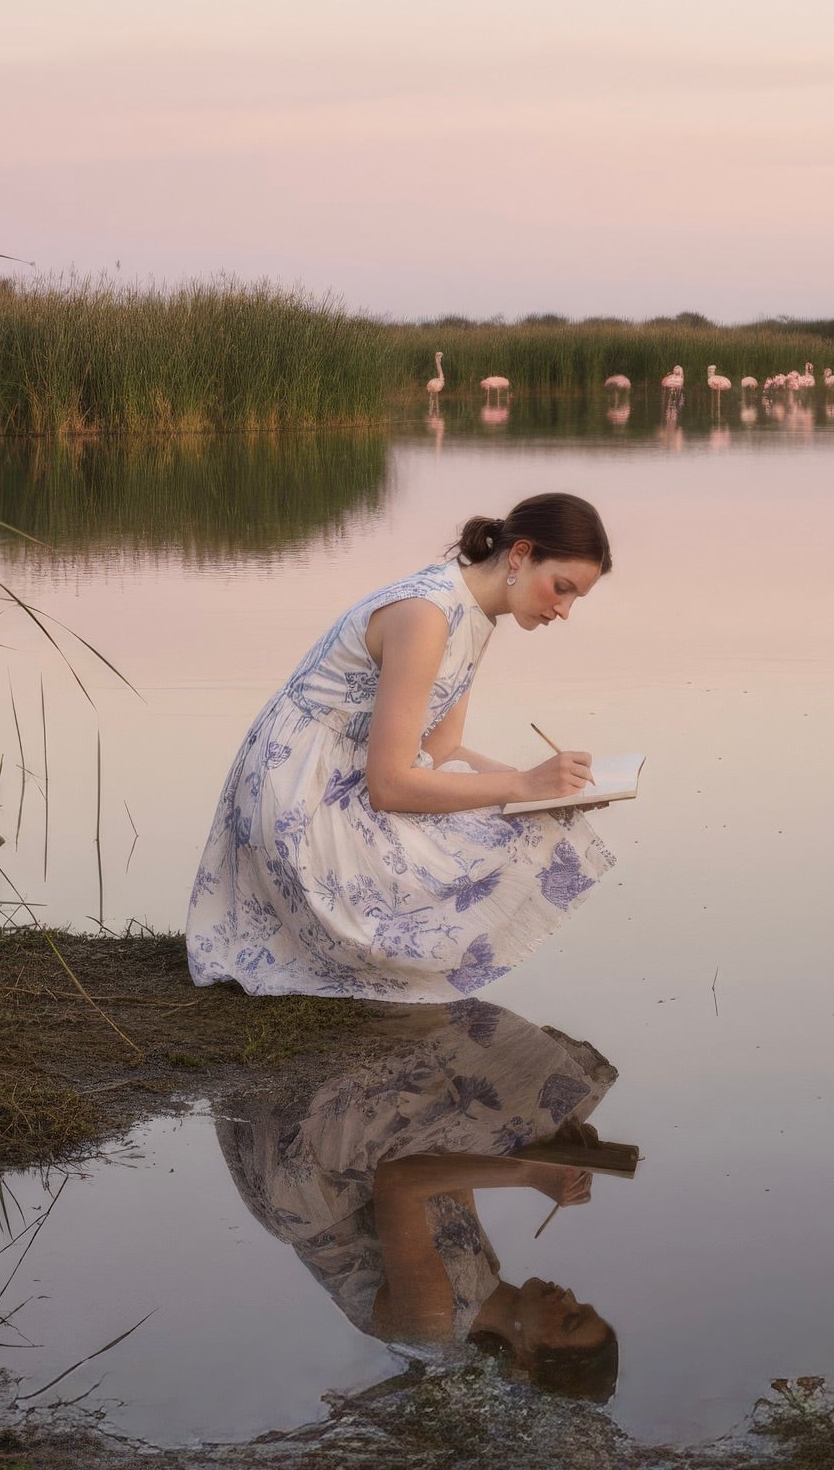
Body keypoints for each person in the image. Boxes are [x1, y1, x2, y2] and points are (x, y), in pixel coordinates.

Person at [186, 492, 619, 1001]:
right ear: (520, 555)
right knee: (500, 826)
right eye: (561, 588)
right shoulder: (427, 614)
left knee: (524, 819)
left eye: (575, 599)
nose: (563, 610)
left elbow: (443, 750)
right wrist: (523, 784)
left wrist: (549, 791)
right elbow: (391, 785)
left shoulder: (476, 616)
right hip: (299, 791)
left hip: (347, 776)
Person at [216, 1000, 621, 1401]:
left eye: (569, 1320)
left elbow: (399, 1183)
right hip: (347, 1167)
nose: (568, 1297)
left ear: (527, 1358)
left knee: (538, 1109)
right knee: (538, 1115)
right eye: (582, 1305)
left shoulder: (435, 1326)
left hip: (303, 1176)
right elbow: (445, 1160)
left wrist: (530, 1171)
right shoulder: (485, 1279)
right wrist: (558, 1156)